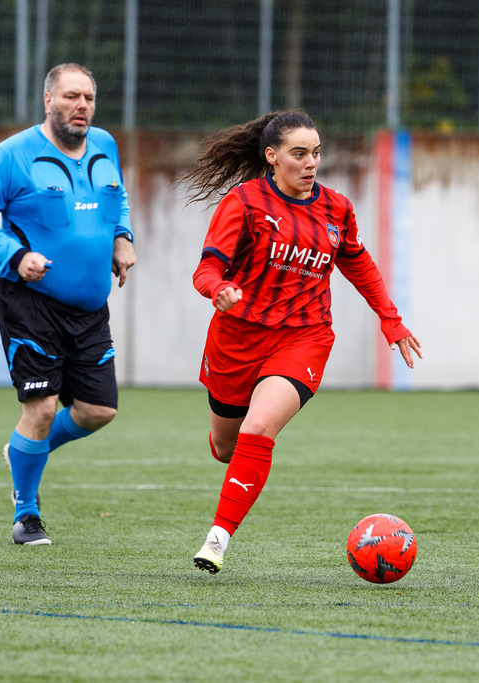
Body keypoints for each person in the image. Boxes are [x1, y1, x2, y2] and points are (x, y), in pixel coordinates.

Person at [179, 109, 422, 574]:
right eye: (299, 154)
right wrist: (219, 290)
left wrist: (391, 320)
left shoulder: (336, 209)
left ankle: (216, 540)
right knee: (227, 446)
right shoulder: (244, 202)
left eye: (315, 153)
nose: (310, 163)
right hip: (236, 339)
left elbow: (359, 265)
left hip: (305, 337)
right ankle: (233, 456)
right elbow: (206, 268)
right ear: (271, 157)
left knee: (259, 429)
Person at [0, 63, 137, 545]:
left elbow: (116, 197)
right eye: (70, 97)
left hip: (88, 305)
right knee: (41, 407)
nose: (81, 106)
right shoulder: (13, 155)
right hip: (29, 300)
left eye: (88, 98)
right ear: (48, 101)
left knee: (99, 411)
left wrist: (122, 238)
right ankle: (26, 514)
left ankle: (22, 450)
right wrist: (16, 258)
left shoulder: (105, 144)